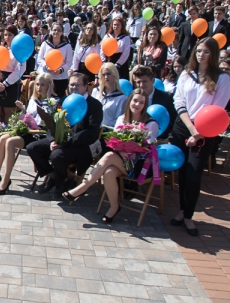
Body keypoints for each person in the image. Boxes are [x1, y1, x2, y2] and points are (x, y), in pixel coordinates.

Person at [62, 88, 159, 223]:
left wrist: (134, 148)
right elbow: (116, 142)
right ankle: (114, 207)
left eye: (141, 102)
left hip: (140, 165)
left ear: (145, 105)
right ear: (129, 101)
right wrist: (122, 150)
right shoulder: (121, 119)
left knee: (108, 156)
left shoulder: (151, 123)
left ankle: (83, 187)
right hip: (122, 160)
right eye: (135, 101)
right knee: (108, 172)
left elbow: (149, 147)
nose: (137, 104)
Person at [170, 37, 230, 236]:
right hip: (184, 126)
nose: (200, 55)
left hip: (206, 131)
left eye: (205, 51)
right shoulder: (187, 74)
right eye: (198, 51)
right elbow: (178, 101)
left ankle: (188, 216)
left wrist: (198, 134)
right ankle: (181, 211)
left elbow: (217, 109)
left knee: (194, 174)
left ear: (212, 54)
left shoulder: (222, 79)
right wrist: (191, 128)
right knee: (182, 173)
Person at [26, 73, 104, 195]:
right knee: (33, 148)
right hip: (60, 141)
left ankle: (60, 182)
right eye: (71, 85)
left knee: (57, 155)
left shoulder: (94, 105)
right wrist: (52, 141)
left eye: (77, 85)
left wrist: (64, 142)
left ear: (85, 86)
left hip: (79, 145)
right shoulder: (63, 101)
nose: (73, 87)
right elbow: (51, 124)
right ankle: (53, 176)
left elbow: (91, 132)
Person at [0, 73, 53, 195]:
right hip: (28, 130)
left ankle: (6, 180)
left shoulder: (51, 102)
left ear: (49, 86)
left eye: (43, 85)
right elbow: (29, 116)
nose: (39, 87)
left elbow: (44, 123)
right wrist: (23, 110)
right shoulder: (34, 100)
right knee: (2, 138)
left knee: (10, 142)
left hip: (39, 133)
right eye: (37, 84)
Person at [132, 65, 177, 140]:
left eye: (144, 81)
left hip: (162, 139)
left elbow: (174, 120)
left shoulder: (166, 97)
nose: (141, 85)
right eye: (138, 82)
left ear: (152, 81)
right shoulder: (133, 99)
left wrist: (168, 139)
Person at [37, 22, 73, 98]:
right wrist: (47, 67)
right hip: (46, 77)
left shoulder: (67, 46)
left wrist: (60, 70)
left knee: (57, 101)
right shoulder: (45, 44)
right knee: (44, 99)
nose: (56, 32)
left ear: (62, 32)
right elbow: (39, 59)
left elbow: (69, 62)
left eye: (59, 30)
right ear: (51, 31)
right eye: (54, 30)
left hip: (61, 78)